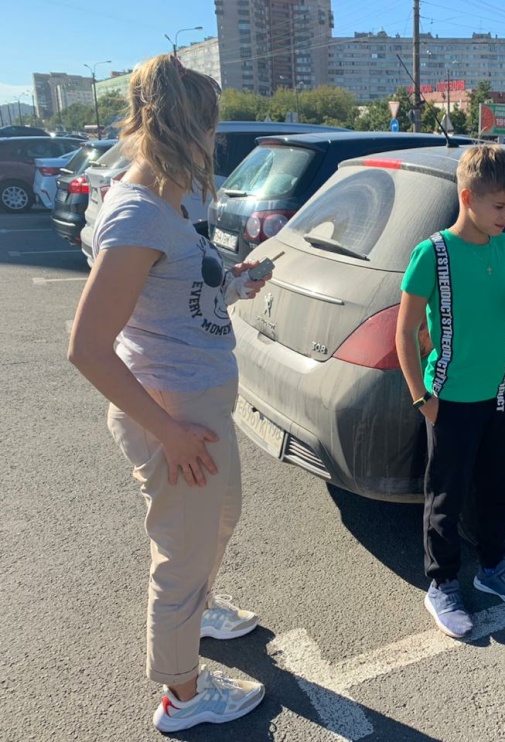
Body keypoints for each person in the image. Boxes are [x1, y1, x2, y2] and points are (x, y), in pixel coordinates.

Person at [67, 54, 272, 732]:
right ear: (185, 128)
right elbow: (87, 347)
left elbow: (184, 297)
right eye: (209, 128)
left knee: (221, 518)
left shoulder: (177, 199)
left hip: (199, 406)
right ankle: (183, 698)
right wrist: (170, 432)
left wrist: (234, 284)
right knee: (181, 558)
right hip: (174, 414)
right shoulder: (136, 213)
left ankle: (198, 616)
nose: (215, 142)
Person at [396, 144, 505, 639]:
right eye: (500, 206)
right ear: (467, 197)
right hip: (452, 399)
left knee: (501, 486)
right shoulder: (433, 253)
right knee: (447, 495)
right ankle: (441, 584)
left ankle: (492, 568)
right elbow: (404, 332)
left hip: (502, 390)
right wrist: (423, 398)